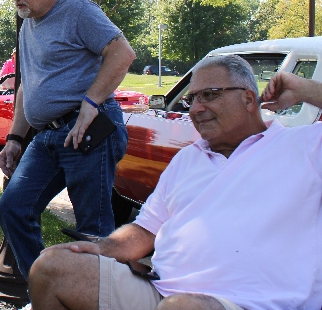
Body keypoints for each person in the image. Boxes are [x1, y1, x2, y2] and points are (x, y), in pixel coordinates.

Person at [28, 55, 322, 310]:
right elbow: (146, 230)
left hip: (250, 302)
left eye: (210, 94)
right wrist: (104, 248)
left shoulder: (304, 147)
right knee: (51, 267)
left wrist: (306, 89)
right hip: (161, 292)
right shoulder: (187, 159)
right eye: (192, 99)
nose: (195, 108)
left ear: (248, 98)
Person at [0, 0, 136, 280]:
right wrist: (15, 138)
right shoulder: (28, 26)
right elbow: (27, 86)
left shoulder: (78, 11)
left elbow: (122, 53)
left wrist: (91, 104)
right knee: (14, 208)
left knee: (92, 230)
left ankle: (99, 299)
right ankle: (45, 290)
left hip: (87, 130)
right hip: (48, 135)